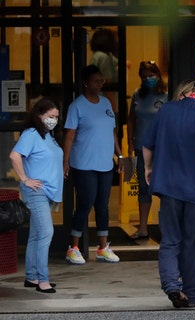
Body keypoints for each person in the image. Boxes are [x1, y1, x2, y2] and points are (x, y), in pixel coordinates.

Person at [142, 77, 195, 308]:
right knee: (194, 244)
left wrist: (149, 168)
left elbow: (147, 144)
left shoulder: (166, 110)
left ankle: (171, 286)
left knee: (170, 240)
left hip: (168, 189)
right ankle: (193, 294)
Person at [63, 64, 124, 265]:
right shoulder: (77, 106)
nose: (100, 84)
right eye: (96, 81)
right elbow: (70, 135)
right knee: (85, 203)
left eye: (102, 81)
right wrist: (65, 161)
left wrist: (120, 155)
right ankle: (73, 247)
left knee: (102, 206)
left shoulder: (106, 103)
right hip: (84, 164)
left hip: (105, 164)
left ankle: (102, 247)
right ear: (85, 83)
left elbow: (112, 131)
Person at [9, 98, 63, 293]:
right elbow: (15, 156)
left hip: (47, 191)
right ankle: (43, 279)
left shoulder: (48, 135)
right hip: (36, 191)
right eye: (50, 116)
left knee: (36, 234)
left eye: (56, 117)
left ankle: (31, 277)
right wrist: (25, 179)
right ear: (39, 115)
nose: (54, 120)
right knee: (46, 233)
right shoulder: (31, 134)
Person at [126, 60, 168, 240]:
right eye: (144, 77)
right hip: (142, 148)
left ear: (158, 75)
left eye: (151, 75)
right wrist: (129, 142)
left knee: (166, 189)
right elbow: (131, 120)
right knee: (144, 188)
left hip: (163, 148)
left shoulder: (166, 94)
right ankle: (143, 228)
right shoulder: (137, 94)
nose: (148, 79)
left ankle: (167, 228)